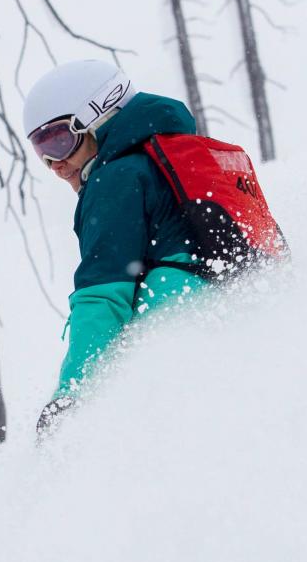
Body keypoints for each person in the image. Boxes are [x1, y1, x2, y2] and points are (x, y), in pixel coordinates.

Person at [23, 60, 210, 434]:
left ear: (99, 115)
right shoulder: (166, 159)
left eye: (59, 142)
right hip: (214, 326)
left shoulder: (115, 180)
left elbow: (102, 297)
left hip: (178, 336)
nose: (55, 164)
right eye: (42, 151)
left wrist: (71, 396)